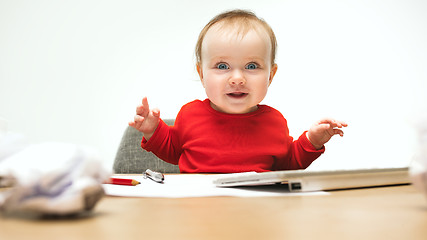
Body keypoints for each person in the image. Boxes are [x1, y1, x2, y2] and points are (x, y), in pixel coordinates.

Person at [129, 9, 347, 173]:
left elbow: (288, 163)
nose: (237, 79)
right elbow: (172, 150)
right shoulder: (190, 114)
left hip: (256, 211)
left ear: (270, 76)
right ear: (202, 74)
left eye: (251, 66)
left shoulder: (274, 121)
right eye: (222, 66)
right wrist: (152, 130)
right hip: (197, 210)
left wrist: (312, 140)